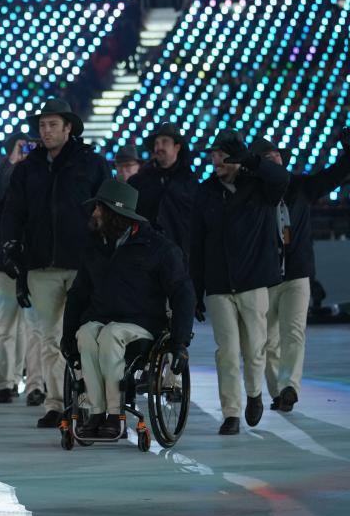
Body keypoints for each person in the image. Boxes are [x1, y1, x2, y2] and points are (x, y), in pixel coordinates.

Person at [0, 98, 110, 428]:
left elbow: (107, 210)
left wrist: (103, 253)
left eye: (52, 124)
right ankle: (56, 403)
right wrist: (11, 249)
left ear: (68, 128)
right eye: (42, 125)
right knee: (47, 338)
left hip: (82, 264)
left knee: (83, 337)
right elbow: (13, 212)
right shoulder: (27, 169)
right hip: (39, 265)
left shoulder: (92, 163)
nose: (45, 131)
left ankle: (89, 402)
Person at [62, 180, 195, 437]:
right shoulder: (95, 248)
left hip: (143, 325)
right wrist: (67, 335)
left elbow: (182, 292)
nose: (94, 214)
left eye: (99, 209)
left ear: (115, 213)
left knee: (111, 334)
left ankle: (116, 415)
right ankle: (96, 411)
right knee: (87, 334)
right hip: (101, 322)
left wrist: (179, 342)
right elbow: (78, 294)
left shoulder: (158, 248)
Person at [191, 130, 289, 435]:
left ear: (237, 158)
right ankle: (231, 413)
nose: (215, 159)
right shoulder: (205, 191)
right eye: (213, 154)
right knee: (227, 351)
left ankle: (254, 394)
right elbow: (197, 243)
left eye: (222, 154)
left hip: (254, 281)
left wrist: (251, 160)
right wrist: (196, 291)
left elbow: (282, 179)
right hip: (219, 286)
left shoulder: (258, 186)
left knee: (255, 348)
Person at [250, 130, 350, 413]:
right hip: (265, 277)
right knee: (267, 341)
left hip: (297, 274)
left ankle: (289, 387)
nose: (275, 159)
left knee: (294, 333)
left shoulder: (301, 187)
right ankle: (279, 391)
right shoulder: (252, 196)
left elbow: (333, 175)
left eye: (277, 155)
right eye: (267, 158)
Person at [0, 133, 40, 404]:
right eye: (20, 148)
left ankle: (35, 385)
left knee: (34, 328)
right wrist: (12, 162)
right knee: (5, 327)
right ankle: (5, 382)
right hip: (3, 263)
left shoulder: (40, 176)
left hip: (35, 263)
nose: (26, 151)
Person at [129, 122, 198, 256]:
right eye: (156, 143)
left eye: (164, 142)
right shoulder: (139, 181)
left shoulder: (190, 183)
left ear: (177, 147)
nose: (159, 147)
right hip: (145, 253)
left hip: (180, 256)